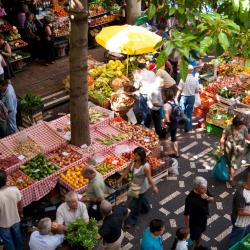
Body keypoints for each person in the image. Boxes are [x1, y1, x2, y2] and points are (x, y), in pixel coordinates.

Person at [118, 147, 158, 228]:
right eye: (134, 154)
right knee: (139, 200)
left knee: (135, 205)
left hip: (141, 188)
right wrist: (121, 178)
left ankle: (132, 220)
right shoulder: (133, 161)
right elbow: (127, 169)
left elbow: (149, 178)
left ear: (141, 156)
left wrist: (154, 187)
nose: (134, 156)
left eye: (136, 155)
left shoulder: (146, 167)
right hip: (134, 185)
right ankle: (146, 208)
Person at [184, 176, 214, 250]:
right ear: (196, 188)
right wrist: (187, 228)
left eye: (206, 188)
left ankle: (198, 247)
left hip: (203, 219)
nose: (205, 190)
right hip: (195, 223)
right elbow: (187, 214)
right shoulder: (190, 199)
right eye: (203, 188)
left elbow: (212, 199)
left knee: (200, 233)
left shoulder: (204, 190)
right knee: (191, 239)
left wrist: (208, 198)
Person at [220, 116, 250, 184]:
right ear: (235, 124)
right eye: (240, 125)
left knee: (234, 165)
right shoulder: (228, 128)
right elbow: (223, 139)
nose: (241, 126)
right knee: (231, 165)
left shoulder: (243, 128)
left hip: (239, 150)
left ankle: (231, 176)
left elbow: (247, 136)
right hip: (229, 149)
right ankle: (231, 178)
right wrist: (221, 149)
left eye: (242, 124)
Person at [0, 170, 23, 250]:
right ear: (6, 180)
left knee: (8, 241)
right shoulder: (14, 189)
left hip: (3, 224)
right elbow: (20, 204)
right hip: (15, 219)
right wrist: (21, 213)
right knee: (18, 237)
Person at [176, 65, 200, 132]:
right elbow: (197, 91)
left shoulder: (182, 79)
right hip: (191, 97)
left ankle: (180, 124)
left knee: (182, 112)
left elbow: (179, 90)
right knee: (189, 113)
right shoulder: (195, 79)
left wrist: (176, 97)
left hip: (183, 97)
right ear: (192, 71)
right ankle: (187, 128)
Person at [229, 172, 250, 247]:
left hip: (248, 221)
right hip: (241, 223)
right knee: (235, 240)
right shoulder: (241, 194)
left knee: (244, 236)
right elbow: (241, 212)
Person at [162, 86, 179, 157]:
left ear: (166, 96)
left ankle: (165, 153)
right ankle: (176, 153)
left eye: (163, 95)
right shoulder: (175, 100)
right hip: (175, 122)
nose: (162, 96)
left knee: (162, 137)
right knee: (174, 138)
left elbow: (167, 117)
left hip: (170, 123)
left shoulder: (166, 105)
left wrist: (163, 122)